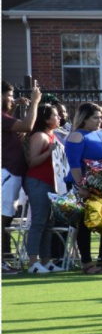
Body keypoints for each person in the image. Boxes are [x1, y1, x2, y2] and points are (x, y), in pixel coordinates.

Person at [65, 102, 102, 274]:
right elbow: (74, 164)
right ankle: (86, 263)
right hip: (84, 186)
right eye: (95, 117)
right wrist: (81, 187)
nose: (100, 120)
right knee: (85, 224)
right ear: (84, 118)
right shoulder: (77, 136)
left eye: (101, 117)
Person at [2, 81, 41, 273]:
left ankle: (5, 257)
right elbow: (26, 125)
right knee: (2, 219)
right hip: (6, 173)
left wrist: (15, 104)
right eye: (9, 95)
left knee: (7, 218)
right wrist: (34, 102)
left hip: (11, 173)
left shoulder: (5, 116)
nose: (12, 98)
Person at [22, 104, 62, 273]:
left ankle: (46, 261)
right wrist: (49, 152)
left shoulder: (53, 135)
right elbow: (32, 161)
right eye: (55, 115)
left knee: (48, 223)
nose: (59, 117)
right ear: (46, 119)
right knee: (38, 222)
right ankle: (33, 262)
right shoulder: (40, 136)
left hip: (50, 183)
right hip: (38, 182)